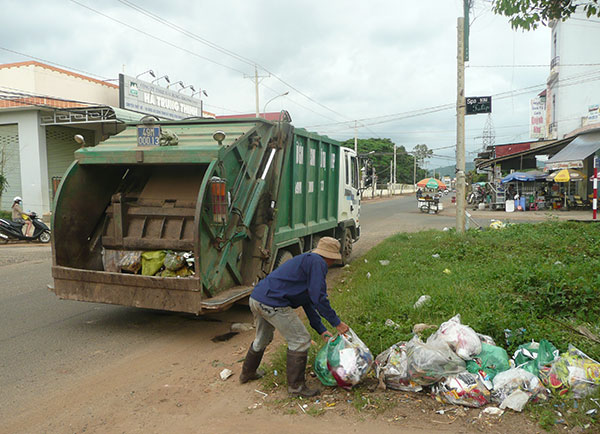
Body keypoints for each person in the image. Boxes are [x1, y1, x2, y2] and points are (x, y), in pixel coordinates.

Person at [239, 237, 349, 398]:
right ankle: (296, 388)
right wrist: (337, 323)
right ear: (330, 257)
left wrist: (322, 330)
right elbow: (318, 297)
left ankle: (247, 373)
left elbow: (309, 300)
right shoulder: (319, 264)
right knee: (300, 340)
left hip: (257, 298)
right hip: (273, 303)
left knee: (263, 338)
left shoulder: (306, 261)